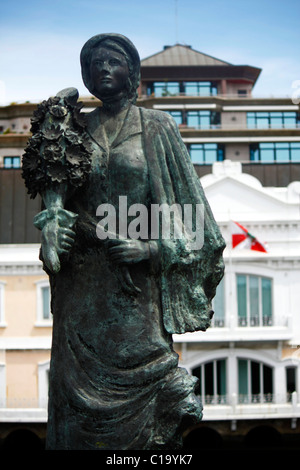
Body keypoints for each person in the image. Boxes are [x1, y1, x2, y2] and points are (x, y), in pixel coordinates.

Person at [23, 33, 225, 450]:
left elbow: (198, 225)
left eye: (113, 61)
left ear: (132, 72)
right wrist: (51, 229)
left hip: (136, 294)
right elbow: (57, 204)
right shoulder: (72, 130)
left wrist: (151, 248)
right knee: (75, 419)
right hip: (81, 291)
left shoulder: (157, 127)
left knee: (150, 418)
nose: (103, 69)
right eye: (94, 63)